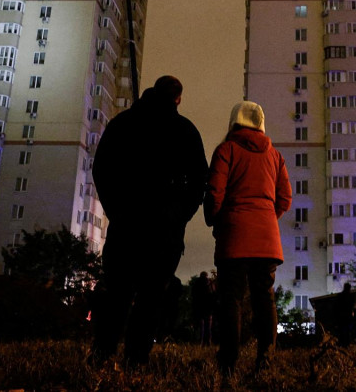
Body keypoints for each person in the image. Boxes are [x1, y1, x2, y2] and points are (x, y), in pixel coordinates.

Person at [90, 75, 208, 368]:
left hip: (126, 224)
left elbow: (101, 169)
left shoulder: (123, 124)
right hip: (164, 231)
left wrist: (115, 209)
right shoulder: (185, 131)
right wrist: (181, 215)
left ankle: (103, 354)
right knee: (151, 298)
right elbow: (199, 181)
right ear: (178, 98)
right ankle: (136, 359)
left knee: (118, 293)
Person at [204, 101, 291, 375]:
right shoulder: (275, 156)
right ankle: (266, 358)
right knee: (264, 297)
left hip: (235, 236)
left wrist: (218, 220)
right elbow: (285, 198)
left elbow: (215, 193)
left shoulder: (226, 150)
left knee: (232, 298)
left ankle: (228, 361)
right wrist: (266, 218)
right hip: (267, 239)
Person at [191, 271, 215, 346]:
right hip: (208, 308)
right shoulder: (210, 283)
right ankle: (208, 342)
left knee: (201, 325)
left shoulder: (197, 283)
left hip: (199, 307)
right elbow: (214, 294)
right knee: (208, 326)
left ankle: (200, 342)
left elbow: (193, 295)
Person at [336, 282, 355, 346]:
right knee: (348, 331)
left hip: (341, 316)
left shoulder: (340, 296)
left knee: (341, 330)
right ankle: (347, 343)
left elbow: (337, 306)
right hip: (348, 315)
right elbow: (352, 306)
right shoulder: (351, 296)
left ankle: (342, 343)